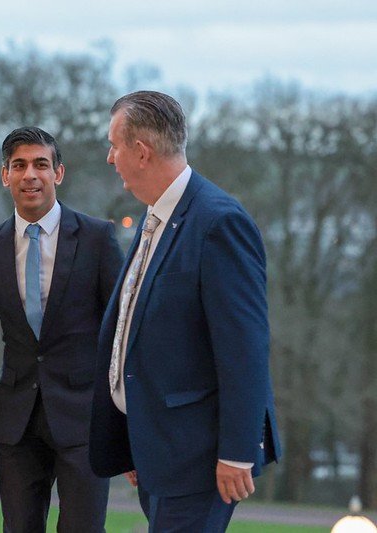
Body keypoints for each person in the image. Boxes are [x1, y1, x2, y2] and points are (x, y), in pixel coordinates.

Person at [89, 90, 281, 531]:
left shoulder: (218, 222)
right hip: (158, 452)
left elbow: (245, 347)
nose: (109, 157)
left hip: (201, 457)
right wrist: (135, 440)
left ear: (141, 152)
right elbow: (136, 329)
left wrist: (236, 451)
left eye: (114, 145)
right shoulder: (155, 216)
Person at [0, 126, 124, 532]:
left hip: (84, 421)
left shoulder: (98, 239)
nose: (30, 174)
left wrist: (127, 424)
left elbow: (121, 332)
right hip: (16, 425)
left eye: (41, 165)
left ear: (58, 173)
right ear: (5, 175)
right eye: (19, 165)